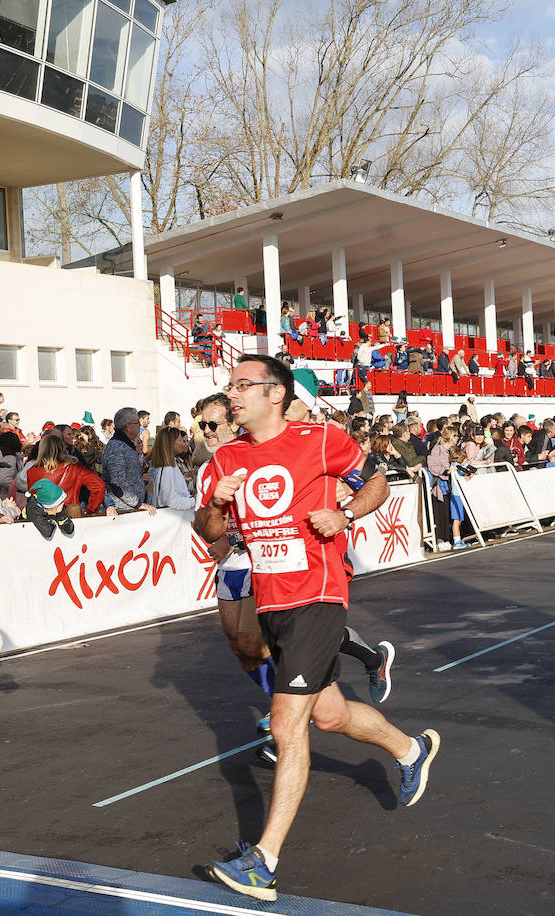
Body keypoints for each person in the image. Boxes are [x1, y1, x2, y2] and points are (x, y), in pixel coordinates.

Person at [197, 355, 438, 901]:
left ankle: (264, 861)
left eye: (242, 387)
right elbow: (209, 532)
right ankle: (409, 750)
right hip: (272, 603)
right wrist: (216, 504)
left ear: (276, 393)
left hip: (319, 595)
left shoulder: (321, 439)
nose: (231, 396)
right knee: (327, 715)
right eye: (230, 387)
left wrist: (347, 513)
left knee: (286, 725)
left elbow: (377, 480)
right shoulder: (225, 458)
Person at [147, 427, 195, 510]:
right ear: (170, 443)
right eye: (180, 440)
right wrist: (194, 501)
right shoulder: (166, 468)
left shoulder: (165, 465)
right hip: (170, 517)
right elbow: (171, 501)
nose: (183, 444)